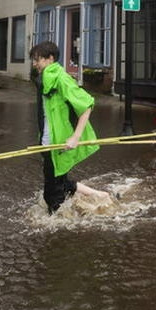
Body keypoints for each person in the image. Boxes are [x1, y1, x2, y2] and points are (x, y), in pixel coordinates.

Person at [29, 40, 111, 214]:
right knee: (59, 179)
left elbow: (87, 104)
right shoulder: (45, 80)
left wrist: (75, 137)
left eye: (37, 59)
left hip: (59, 144)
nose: (34, 63)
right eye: (33, 60)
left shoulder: (62, 79)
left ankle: (61, 224)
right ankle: (100, 196)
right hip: (47, 142)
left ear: (50, 59)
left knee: (52, 195)